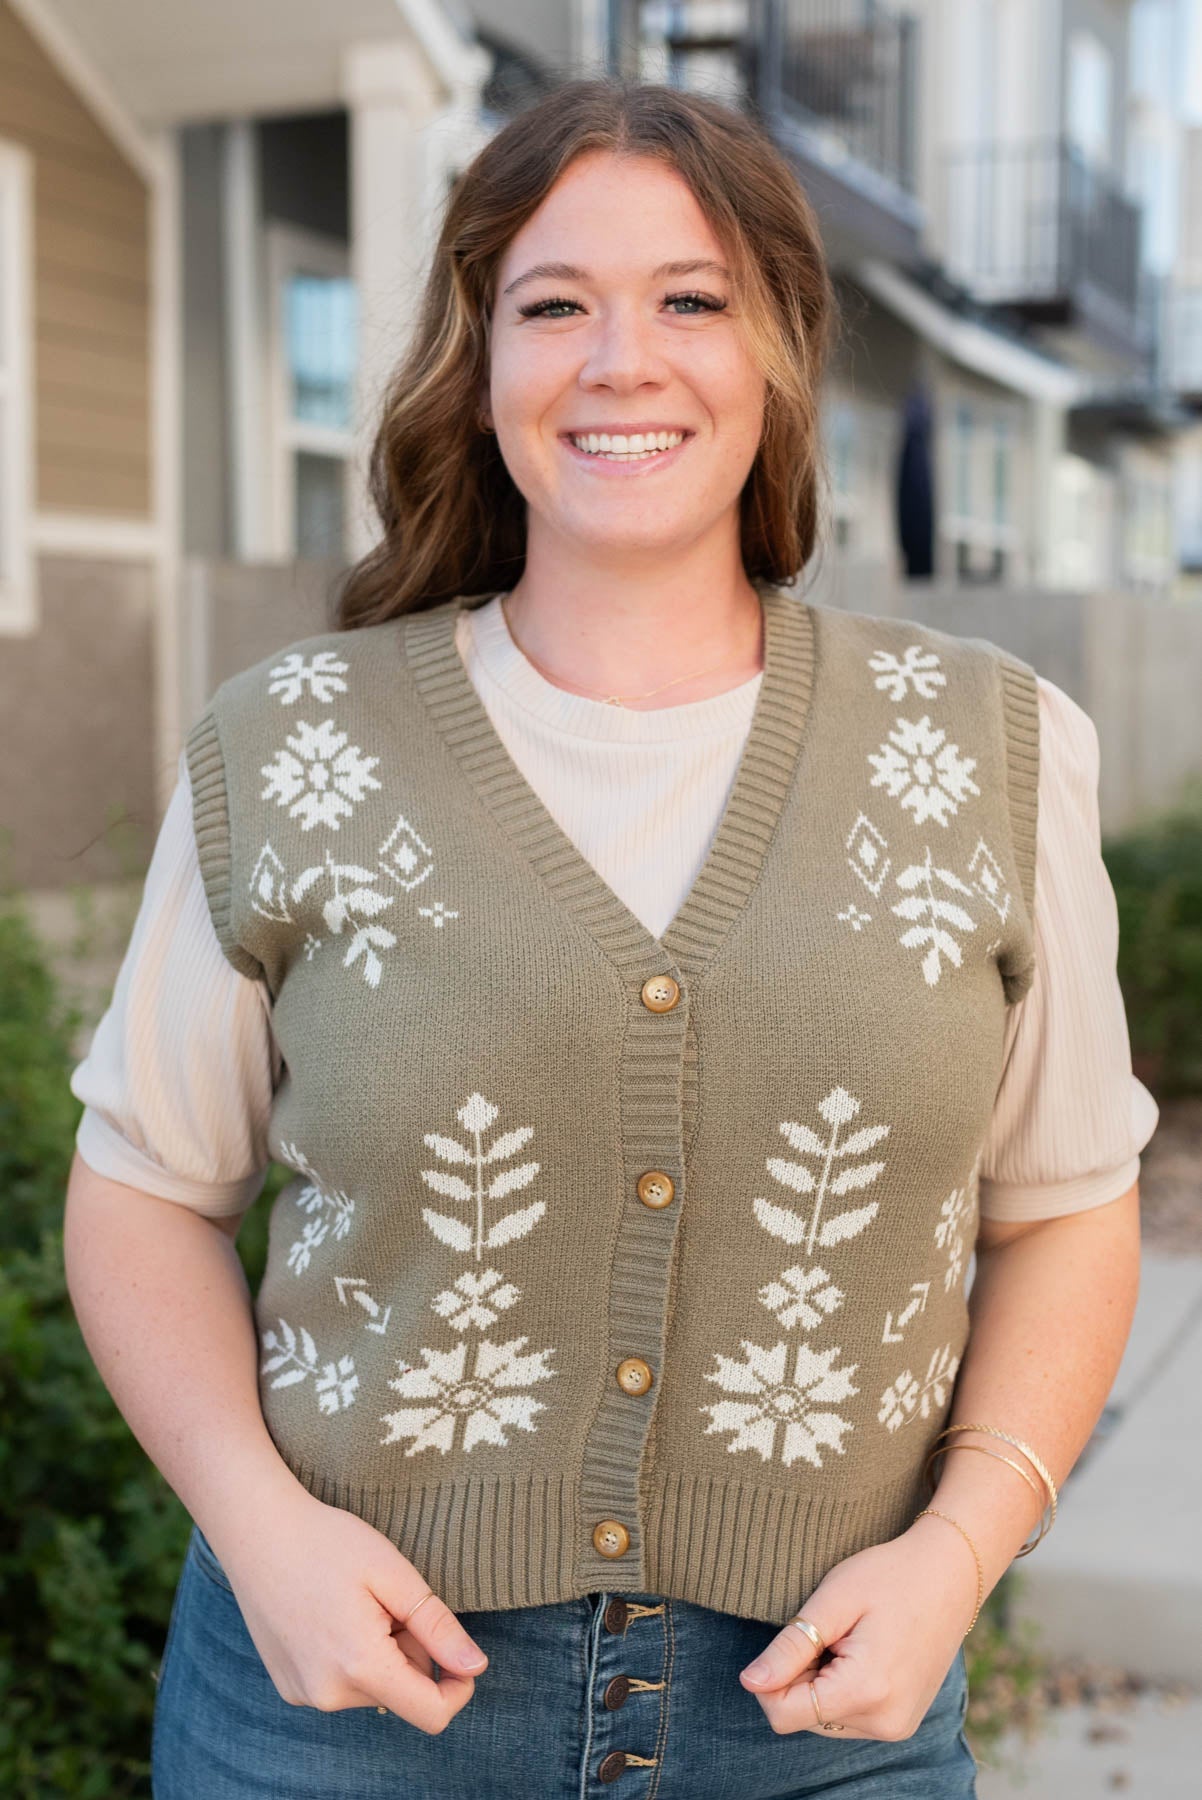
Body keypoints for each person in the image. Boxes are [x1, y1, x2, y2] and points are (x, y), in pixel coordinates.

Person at [64, 79, 1155, 1799]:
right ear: (478, 361)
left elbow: (1071, 1207)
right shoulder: (288, 745)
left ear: (780, 352)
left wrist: (955, 1560)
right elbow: (142, 1190)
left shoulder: (992, 749)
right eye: (553, 304)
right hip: (340, 1712)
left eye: (690, 301)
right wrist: (263, 1537)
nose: (618, 360)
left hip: (824, 1723)